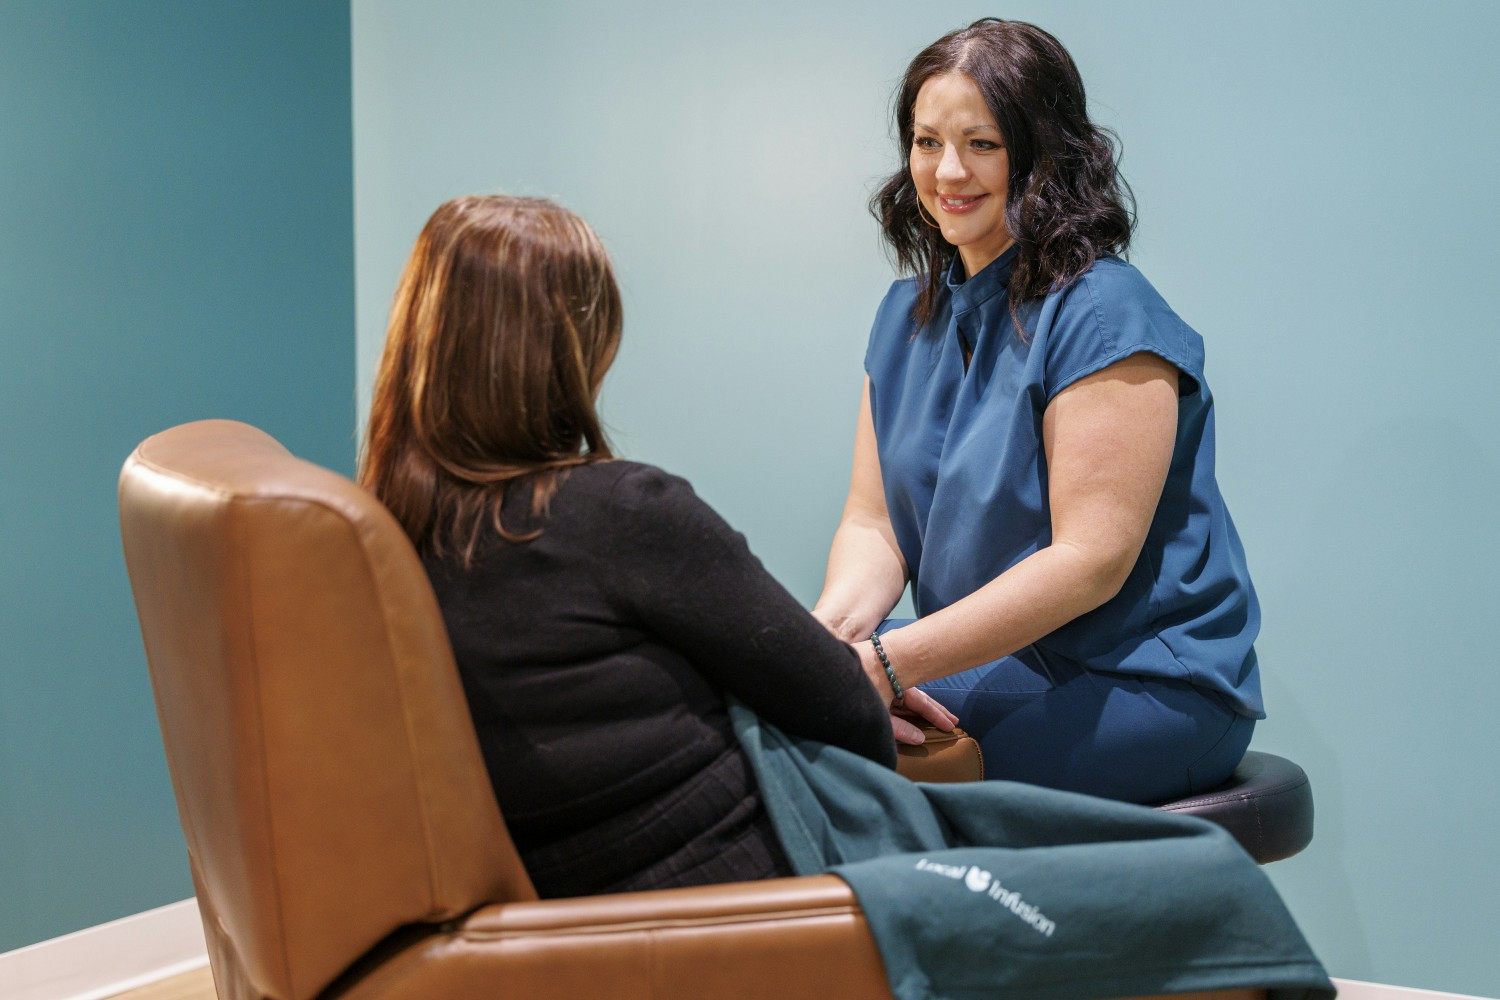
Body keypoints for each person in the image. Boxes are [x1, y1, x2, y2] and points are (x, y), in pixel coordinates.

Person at [358, 194, 908, 899]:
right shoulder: (621, 515)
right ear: (577, 345)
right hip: (749, 902)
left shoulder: (382, 537)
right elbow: (850, 713)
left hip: (578, 905)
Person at [814, 18, 1263, 805]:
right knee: (796, 721)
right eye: (926, 142)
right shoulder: (903, 318)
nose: (947, 170)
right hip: (984, 663)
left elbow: (1090, 563)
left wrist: (885, 665)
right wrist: (827, 652)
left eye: (981, 143)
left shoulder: (1105, 314)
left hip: (1139, 679)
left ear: (1043, 153)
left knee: (842, 766)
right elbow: (873, 525)